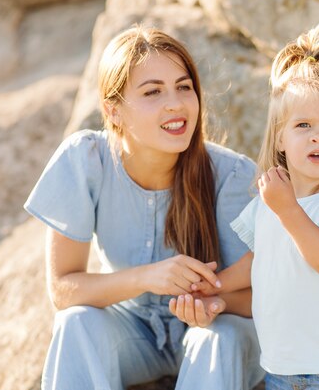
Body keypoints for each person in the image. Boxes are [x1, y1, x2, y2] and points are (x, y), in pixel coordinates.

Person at [24, 24, 264, 390]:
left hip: (213, 329)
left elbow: (261, 294)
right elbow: (63, 290)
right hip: (129, 331)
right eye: (153, 91)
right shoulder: (85, 160)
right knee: (76, 323)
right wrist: (148, 277)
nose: (175, 103)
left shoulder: (232, 175)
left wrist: (213, 303)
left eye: (184, 87)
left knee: (221, 338)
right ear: (113, 110)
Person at [190, 21, 319, 390]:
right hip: (279, 369)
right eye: (303, 124)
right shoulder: (271, 198)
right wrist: (215, 286)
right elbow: (257, 261)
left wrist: (287, 209)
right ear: (281, 139)